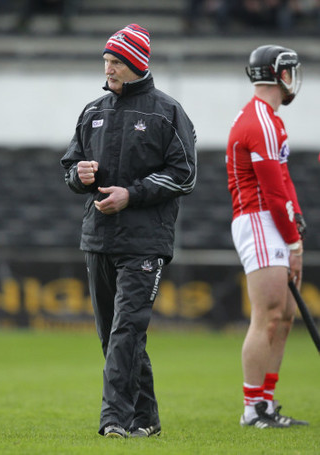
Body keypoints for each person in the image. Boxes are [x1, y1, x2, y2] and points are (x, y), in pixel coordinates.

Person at [60, 24, 197, 438]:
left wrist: (131, 195)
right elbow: (70, 167)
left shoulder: (168, 112)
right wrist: (79, 175)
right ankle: (148, 420)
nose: (108, 68)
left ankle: (114, 420)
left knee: (126, 330)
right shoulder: (92, 111)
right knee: (115, 336)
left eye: (116, 61)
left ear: (136, 63)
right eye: (106, 61)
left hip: (146, 242)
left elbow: (185, 175)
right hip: (98, 237)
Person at [226, 44, 309, 429]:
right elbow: (273, 193)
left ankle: (268, 403)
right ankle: (252, 408)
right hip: (258, 220)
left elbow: (286, 182)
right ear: (277, 74)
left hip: (274, 220)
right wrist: (292, 241)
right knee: (268, 314)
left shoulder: (272, 120)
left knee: (286, 315)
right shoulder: (258, 121)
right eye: (289, 71)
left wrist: (297, 224)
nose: (293, 79)